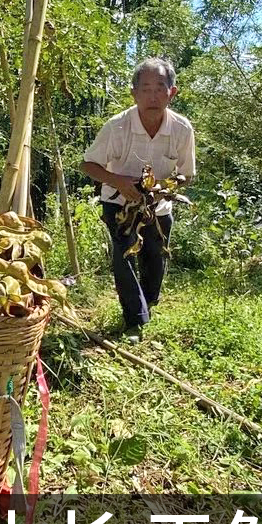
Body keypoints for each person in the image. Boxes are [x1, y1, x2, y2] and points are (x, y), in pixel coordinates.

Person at [80, 58, 196, 343]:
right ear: (134, 93)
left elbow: (187, 175)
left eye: (160, 88)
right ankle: (135, 319)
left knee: (155, 257)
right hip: (119, 203)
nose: (152, 96)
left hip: (159, 204)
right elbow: (88, 165)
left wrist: (162, 188)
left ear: (172, 92)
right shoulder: (117, 126)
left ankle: (148, 303)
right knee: (123, 256)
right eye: (145, 89)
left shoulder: (182, 129)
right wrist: (119, 181)